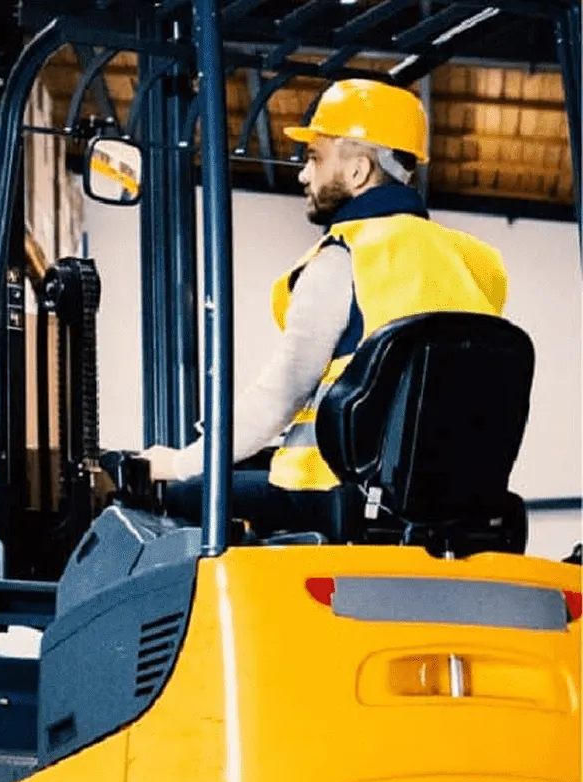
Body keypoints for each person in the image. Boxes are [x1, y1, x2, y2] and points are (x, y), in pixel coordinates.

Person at [146, 78, 510, 533]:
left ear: (358, 171)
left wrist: (178, 464)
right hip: (449, 503)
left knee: (170, 498)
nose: (304, 174)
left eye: (315, 158)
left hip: (334, 491)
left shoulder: (346, 255)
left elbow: (279, 396)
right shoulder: (479, 262)